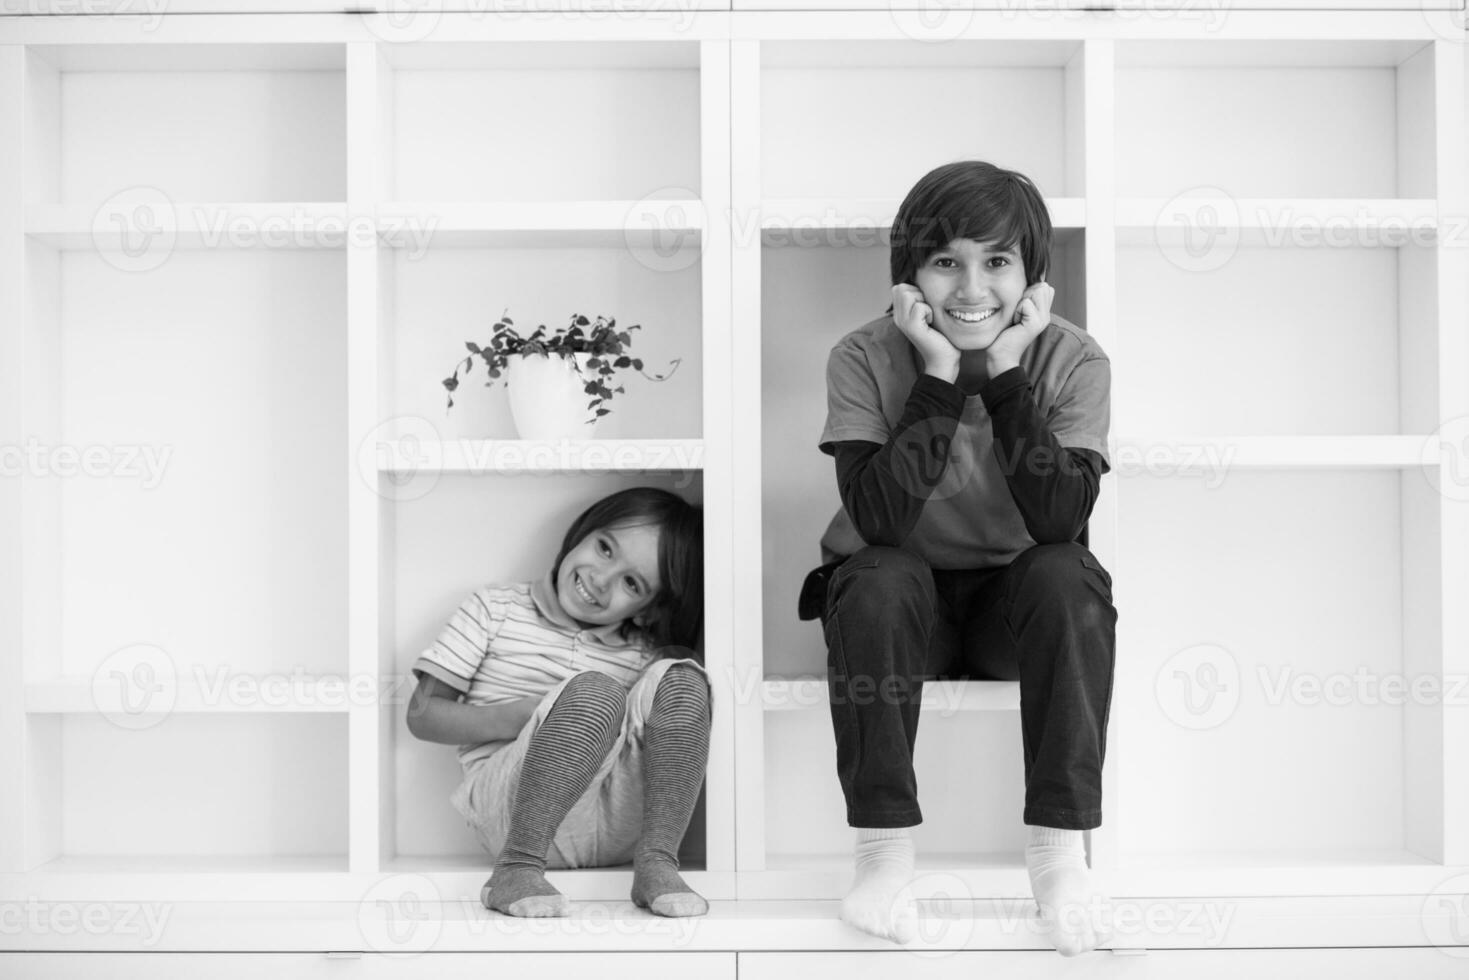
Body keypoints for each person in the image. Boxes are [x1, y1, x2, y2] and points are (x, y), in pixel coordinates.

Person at [804, 160, 1117, 956]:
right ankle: (881, 858)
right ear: (909, 278)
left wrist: (1006, 372)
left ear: (1032, 278)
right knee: (876, 573)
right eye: (945, 261)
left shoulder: (1072, 360)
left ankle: (1057, 857)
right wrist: (939, 375)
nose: (970, 289)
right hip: (899, 605)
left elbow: (1058, 521)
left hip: (1009, 610)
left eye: (997, 262)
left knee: (1067, 572)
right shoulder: (864, 356)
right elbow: (878, 520)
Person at [407, 486, 709, 919]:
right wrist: (524, 716)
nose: (601, 579)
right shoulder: (494, 609)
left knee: (682, 676)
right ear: (584, 531)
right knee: (597, 692)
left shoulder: (641, 651)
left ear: (647, 609)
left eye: (631, 582)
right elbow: (422, 716)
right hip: (510, 815)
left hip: (612, 825)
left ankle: (659, 861)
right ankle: (516, 868)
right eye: (605, 549)